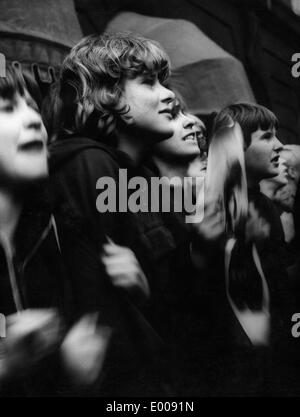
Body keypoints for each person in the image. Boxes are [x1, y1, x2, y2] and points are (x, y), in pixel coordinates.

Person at [48, 32, 180, 395]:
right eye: (148, 82)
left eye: (163, 82)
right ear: (107, 93)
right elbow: (100, 314)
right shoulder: (90, 164)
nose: (169, 95)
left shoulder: (143, 177)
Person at [204, 103, 298, 395]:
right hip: (231, 359)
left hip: (270, 351)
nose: (280, 146)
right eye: (267, 137)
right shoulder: (209, 203)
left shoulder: (265, 206)